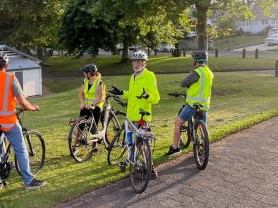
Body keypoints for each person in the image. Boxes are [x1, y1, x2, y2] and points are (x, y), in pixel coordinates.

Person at [0, 52, 46, 190]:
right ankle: (28, 181)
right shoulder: (11, 78)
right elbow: (22, 102)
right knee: (21, 149)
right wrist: (33, 108)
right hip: (9, 121)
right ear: (6, 65)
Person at [112, 51, 160, 179]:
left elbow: (156, 98)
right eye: (134, 61)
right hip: (131, 114)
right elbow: (133, 95)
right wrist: (122, 93)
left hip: (141, 116)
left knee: (141, 144)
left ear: (144, 63)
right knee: (138, 144)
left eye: (139, 61)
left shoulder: (149, 76)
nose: (136, 63)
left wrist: (147, 95)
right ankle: (144, 167)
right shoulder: (133, 76)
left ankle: (150, 170)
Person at [166, 50, 214, 156]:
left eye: (193, 58)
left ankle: (175, 148)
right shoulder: (209, 72)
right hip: (204, 105)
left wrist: (188, 84)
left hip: (193, 104)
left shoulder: (197, 72)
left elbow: (183, 83)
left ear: (196, 60)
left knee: (178, 123)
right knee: (202, 127)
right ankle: (203, 147)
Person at [78, 64, 105, 133]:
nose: (83, 74)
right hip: (86, 105)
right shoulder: (85, 81)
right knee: (80, 124)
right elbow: (81, 93)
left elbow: (100, 97)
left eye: (85, 72)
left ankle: (95, 134)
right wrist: (81, 103)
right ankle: (76, 142)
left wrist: (92, 104)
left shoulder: (99, 82)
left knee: (93, 127)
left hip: (96, 105)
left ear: (89, 73)